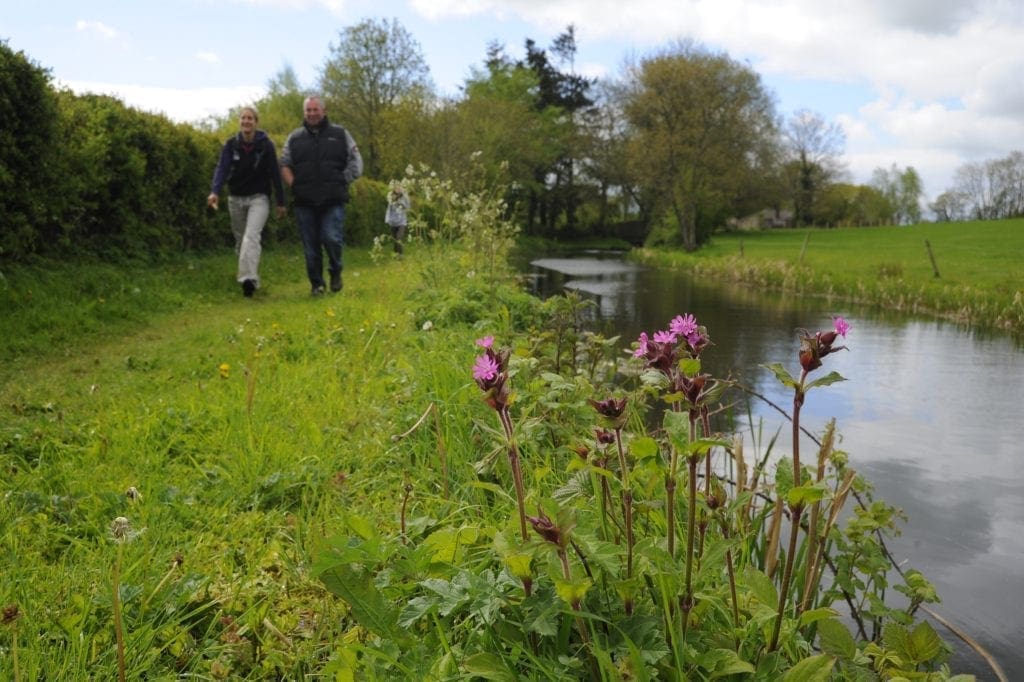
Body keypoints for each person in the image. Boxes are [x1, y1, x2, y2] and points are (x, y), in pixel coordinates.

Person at [279, 95, 363, 296]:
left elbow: (356, 161)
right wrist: (294, 184)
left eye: (315, 110)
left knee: (331, 238)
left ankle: (336, 271)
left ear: (324, 111)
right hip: (304, 201)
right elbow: (284, 163)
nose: (312, 114)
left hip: (333, 199)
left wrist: (343, 179)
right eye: (308, 110)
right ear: (304, 112)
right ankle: (317, 285)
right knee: (311, 246)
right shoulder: (294, 137)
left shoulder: (340, 134)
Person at [207, 106, 286, 298]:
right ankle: (252, 277)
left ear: (256, 122)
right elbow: (222, 168)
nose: (246, 121)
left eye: (250, 118)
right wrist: (215, 191)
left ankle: (247, 280)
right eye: (243, 118)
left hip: (259, 198)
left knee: (251, 237)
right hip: (236, 198)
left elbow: (275, 174)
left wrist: (280, 202)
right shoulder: (230, 144)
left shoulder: (266, 145)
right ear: (240, 122)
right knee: (241, 240)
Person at [385, 183, 410, 254]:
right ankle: (396, 254)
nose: (398, 189)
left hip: (402, 221)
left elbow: (408, 207)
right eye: (396, 188)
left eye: (399, 188)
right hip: (393, 222)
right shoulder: (390, 196)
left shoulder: (404, 197)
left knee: (399, 238)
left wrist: (402, 203)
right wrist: (387, 219)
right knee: (395, 239)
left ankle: (400, 255)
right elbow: (389, 207)